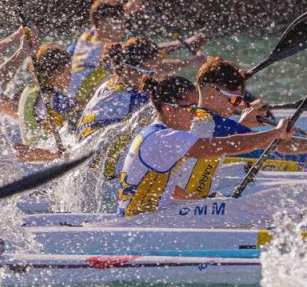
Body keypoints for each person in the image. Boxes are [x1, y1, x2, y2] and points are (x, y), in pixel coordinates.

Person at [173, 57, 307, 198]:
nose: (236, 106)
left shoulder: (193, 117)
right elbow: (282, 146)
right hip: (189, 204)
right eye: (235, 99)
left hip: (188, 198)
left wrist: (241, 124)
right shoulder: (216, 124)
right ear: (212, 92)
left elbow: (215, 140)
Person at [117, 76, 294, 216]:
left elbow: (164, 187)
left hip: (145, 218)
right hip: (142, 224)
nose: (195, 115)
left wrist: (197, 202)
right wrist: (274, 133)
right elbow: (228, 146)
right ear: (169, 108)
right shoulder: (167, 138)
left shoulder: (152, 132)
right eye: (191, 108)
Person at [77, 37, 160, 137]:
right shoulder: (133, 99)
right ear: (129, 69)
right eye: (150, 72)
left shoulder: (109, 84)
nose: (154, 76)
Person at [67, 0, 128, 106]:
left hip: (71, 98)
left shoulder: (86, 37)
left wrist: (128, 8)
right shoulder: (104, 51)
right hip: (81, 105)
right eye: (117, 23)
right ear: (102, 24)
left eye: (123, 22)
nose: (122, 27)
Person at [18, 43, 75, 148]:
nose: (71, 75)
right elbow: (70, 110)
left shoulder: (30, 90)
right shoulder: (47, 98)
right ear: (56, 73)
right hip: (45, 152)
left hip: (36, 150)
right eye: (68, 71)